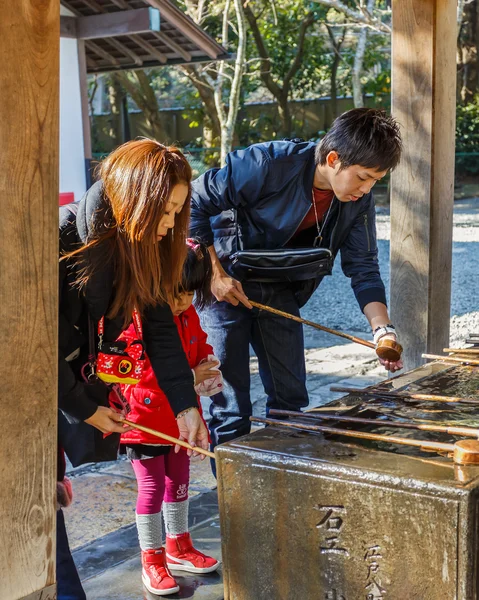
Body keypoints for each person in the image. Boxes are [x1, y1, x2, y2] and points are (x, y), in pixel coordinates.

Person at [189, 108, 404, 455]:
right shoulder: (265, 164)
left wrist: (383, 331)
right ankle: (234, 503)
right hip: (224, 286)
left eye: (375, 181)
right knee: (230, 407)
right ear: (333, 159)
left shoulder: (357, 202)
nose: (366, 190)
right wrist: (214, 273)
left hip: (279, 289)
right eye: (363, 177)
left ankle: (283, 490)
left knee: (291, 401)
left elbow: (363, 267)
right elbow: (192, 202)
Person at [58, 140, 208, 599]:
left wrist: (186, 405)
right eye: (163, 212)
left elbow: (161, 329)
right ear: (132, 199)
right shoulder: (64, 242)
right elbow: (37, 342)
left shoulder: (145, 243)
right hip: (48, 380)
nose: (168, 226)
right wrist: (83, 408)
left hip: (80, 378)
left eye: (177, 213)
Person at [119, 240, 222, 596]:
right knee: (152, 488)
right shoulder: (139, 315)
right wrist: (193, 376)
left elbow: (199, 345)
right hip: (144, 419)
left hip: (182, 416)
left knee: (179, 483)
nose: (182, 302)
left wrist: (208, 366)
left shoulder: (188, 312)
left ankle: (179, 545)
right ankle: (152, 557)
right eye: (175, 294)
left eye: (190, 294)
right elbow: (141, 374)